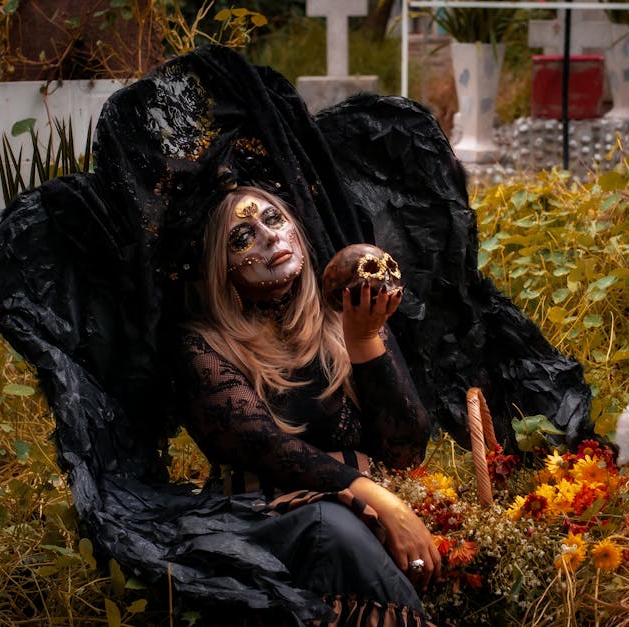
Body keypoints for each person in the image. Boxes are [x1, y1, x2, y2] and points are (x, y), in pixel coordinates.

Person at [173, 184, 441, 622]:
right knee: (332, 530)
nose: (268, 236)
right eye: (242, 237)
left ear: (296, 228)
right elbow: (265, 447)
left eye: (274, 219)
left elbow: (406, 451)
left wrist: (363, 339)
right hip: (270, 519)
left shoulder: (347, 316)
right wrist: (380, 500)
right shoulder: (204, 345)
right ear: (221, 266)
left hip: (370, 511)